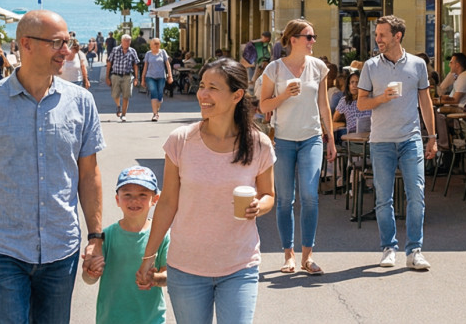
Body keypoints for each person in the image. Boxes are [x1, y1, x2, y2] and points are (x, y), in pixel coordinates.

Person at [0, 10, 105, 324]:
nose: (66, 51)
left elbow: (89, 173)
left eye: (67, 42)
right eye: (57, 43)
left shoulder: (81, 102)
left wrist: (96, 237)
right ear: (26, 44)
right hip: (2, 251)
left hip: (61, 250)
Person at [140, 59, 274, 324]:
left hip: (240, 264)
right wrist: (149, 256)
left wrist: (261, 205)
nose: (203, 94)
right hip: (186, 267)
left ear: (237, 95)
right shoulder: (181, 140)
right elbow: (167, 203)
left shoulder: (259, 144)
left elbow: (269, 194)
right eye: (202, 86)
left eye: (213, 87)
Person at [356, 15, 437, 271]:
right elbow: (360, 103)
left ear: (397, 36)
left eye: (382, 35)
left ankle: (414, 251)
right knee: (383, 198)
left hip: (410, 139)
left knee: (417, 194)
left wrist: (432, 137)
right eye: (376, 35)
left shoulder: (417, 65)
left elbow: (425, 102)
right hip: (381, 141)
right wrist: (381, 98)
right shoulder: (370, 66)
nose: (377, 39)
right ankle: (388, 248)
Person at [258, 19, 336, 276]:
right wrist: (283, 96)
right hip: (282, 140)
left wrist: (331, 139)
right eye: (309, 37)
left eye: (313, 37)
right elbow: (264, 107)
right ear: (293, 39)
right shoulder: (274, 69)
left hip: (312, 138)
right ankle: (288, 255)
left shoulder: (319, 67)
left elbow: (324, 106)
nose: (313, 41)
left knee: (310, 197)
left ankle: (308, 256)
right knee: (284, 200)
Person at [81, 165, 168, 324]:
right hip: (111, 318)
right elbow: (89, 279)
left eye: (143, 194)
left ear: (155, 199)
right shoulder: (106, 237)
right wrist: (90, 272)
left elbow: (169, 275)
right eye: (127, 194)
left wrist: (154, 278)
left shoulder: (161, 235)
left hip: (151, 319)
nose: (134, 200)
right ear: (117, 200)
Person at [106, 34, 141, 122]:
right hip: (116, 75)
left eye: (128, 41)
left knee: (126, 96)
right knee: (115, 94)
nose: (127, 43)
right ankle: (118, 106)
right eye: (125, 41)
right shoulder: (115, 50)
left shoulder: (132, 51)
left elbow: (136, 65)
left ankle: (124, 114)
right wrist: (107, 77)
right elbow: (109, 63)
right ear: (121, 41)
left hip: (127, 76)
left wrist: (137, 78)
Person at [332, 70, 371, 139]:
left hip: (370, 133)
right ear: (348, 85)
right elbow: (335, 119)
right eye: (352, 82)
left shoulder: (369, 99)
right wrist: (345, 120)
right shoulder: (344, 101)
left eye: (357, 82)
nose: (354, 85)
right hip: (352, 135)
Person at [143, 38, 173, 122]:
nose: (156, 45)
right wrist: (143, 78)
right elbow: (145, 67)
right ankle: (155, 114)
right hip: (150, 77)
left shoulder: (163, 52)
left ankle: (157, 107)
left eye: (157, 43)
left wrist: (170, 76)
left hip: (161, 77)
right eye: (154, 44)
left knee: (160, 96)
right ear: (151, 45)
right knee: (154, 93)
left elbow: (168, 65)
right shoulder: (148, 54)